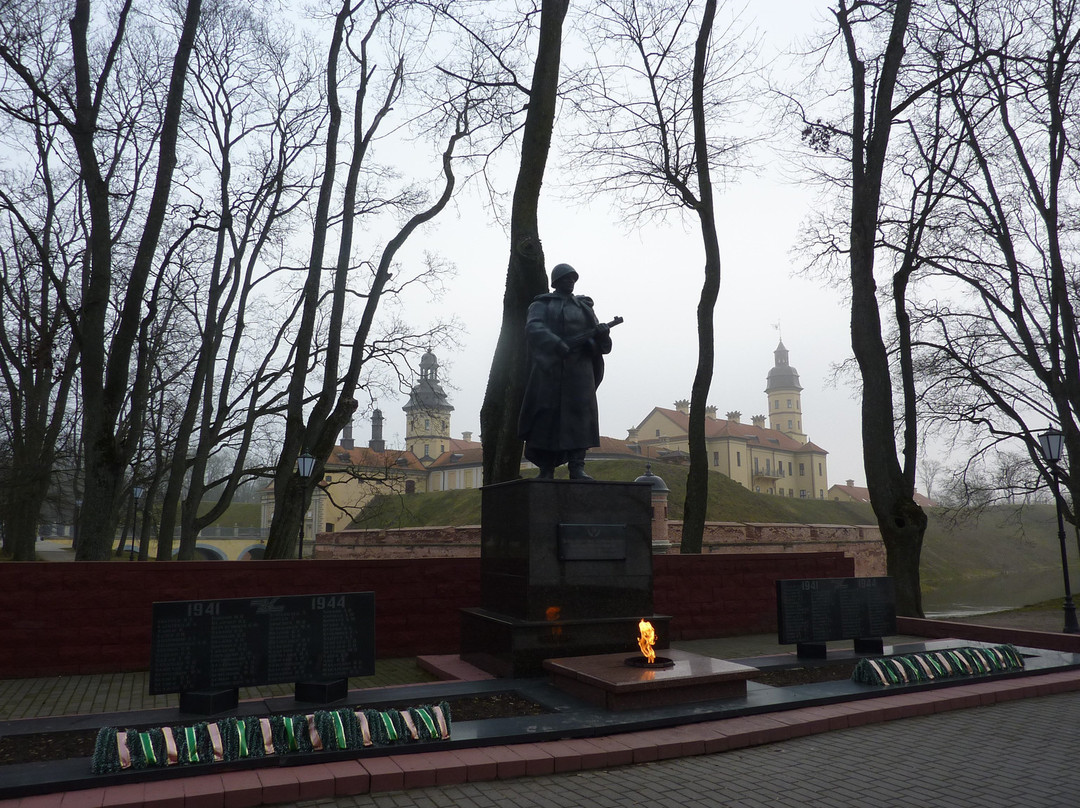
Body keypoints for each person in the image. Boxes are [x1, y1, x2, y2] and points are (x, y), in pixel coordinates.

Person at [518, 263, 612, 480]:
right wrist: (557, 343)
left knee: (581, 417)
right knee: (546, 417)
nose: (570, 282)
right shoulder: (542, 304)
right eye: (566, 278)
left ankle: (577, 466)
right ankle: (546, 468)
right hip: (550, 369)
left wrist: (603, 334)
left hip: (580, 371)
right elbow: (533, 327)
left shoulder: (584, 307)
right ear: (556, 282)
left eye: (573, 278)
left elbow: (599, 340)